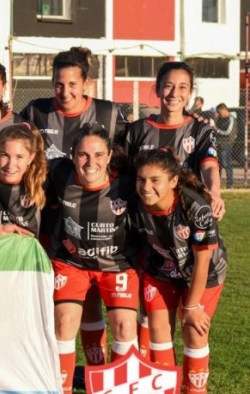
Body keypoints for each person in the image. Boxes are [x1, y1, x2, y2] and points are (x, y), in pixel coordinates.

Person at [20, 46, 127, 370]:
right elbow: (11, 136)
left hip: (105, 220)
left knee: (103, 304)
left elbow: (127, 159)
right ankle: (65, 375)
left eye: (72, 84)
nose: (65, 92)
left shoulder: (109, 114)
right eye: (58, 84)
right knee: (67, 308)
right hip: (55, 219)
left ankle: (103, 373)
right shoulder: (35, 112)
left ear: (87, 84)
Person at [44, 124, 139, 394]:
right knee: (64, 321)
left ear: (109, 156)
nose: (90, 162)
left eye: (98, 155)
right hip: (72, 262)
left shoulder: (127, 183)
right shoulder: (59, 174)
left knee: (125, 326)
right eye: (82, 154)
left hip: (118, 265)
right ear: (72, 155)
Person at [132, 148, 226, 394]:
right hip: (160, 271)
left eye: (155, 180)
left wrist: (192, 307)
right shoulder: (134, 201)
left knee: (194, 331)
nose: (146, 187)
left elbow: (202, 261)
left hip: (204, 274)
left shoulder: (195, 207)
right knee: (159, 332)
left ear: (173, 181)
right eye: (141, 180)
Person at [119, 62, 225, 219]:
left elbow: (209, 165)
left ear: (190, 92)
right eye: (168, 86)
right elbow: (122, 171)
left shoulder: (200, 130)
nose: (174, 93)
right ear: (158, 89)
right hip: (145, 223)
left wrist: (214, 192)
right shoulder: (136, 130)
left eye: (182, 87)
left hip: (188, 219)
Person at [212, 103, 236, 188]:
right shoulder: (219, 118)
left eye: (219, 112)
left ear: (224, 110)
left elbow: (228, 132)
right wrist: (215, 118)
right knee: (218, 164)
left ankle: (230, 184)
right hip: (218, 143)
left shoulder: (231, 119)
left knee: (226, 163)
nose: (218, 114)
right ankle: (217, 183)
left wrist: (217, 130)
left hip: (226, 143)